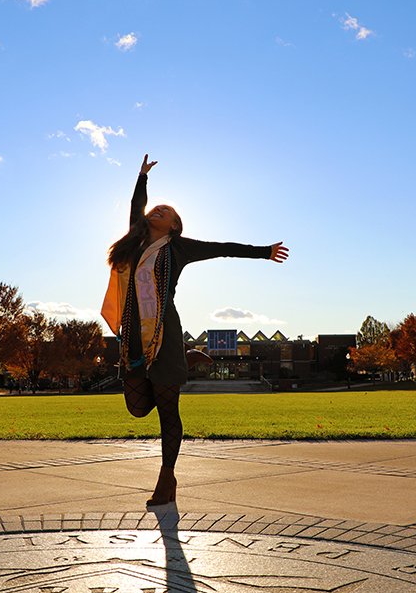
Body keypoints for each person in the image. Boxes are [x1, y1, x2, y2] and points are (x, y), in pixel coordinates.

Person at [101, 155, 289, 506]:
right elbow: (136, 205)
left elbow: (222, 250)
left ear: (175, 226)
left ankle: (166, 479)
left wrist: (265, 252)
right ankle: (185, 361)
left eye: (166, 211)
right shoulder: (137, 242)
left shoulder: (178, 248)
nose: (157, 211)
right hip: (134, 339)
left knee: (168, 410)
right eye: (156, 208)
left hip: (165, 333)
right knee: (138, 408)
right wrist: (142, 178)